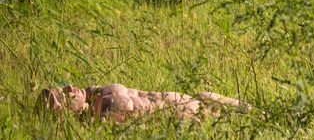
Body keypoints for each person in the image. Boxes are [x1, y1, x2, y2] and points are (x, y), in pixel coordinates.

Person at [41, 83, 251, 121]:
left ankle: (273, 115)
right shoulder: (99, 118)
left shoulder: (94, 92)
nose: (68, 88)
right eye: (63, 95)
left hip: (185, 99)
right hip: (183, 116)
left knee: (207, 96)